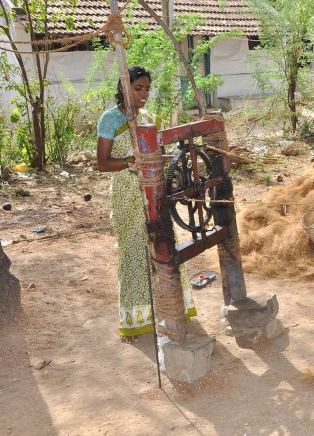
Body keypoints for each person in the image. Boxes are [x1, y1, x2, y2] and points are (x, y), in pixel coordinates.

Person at [96, 66, 196, 344]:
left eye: (146, 89)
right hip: (127, 195)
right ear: (124, 87)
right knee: (133, 253)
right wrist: (129, 162)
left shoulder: (150, 118)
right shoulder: (110, 119)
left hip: (154, 193)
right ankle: (136, 321)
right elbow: (102, 163)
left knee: (163, 245)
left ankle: (170, 310)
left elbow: (160, 154)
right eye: (138, 88)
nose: (144, 94)